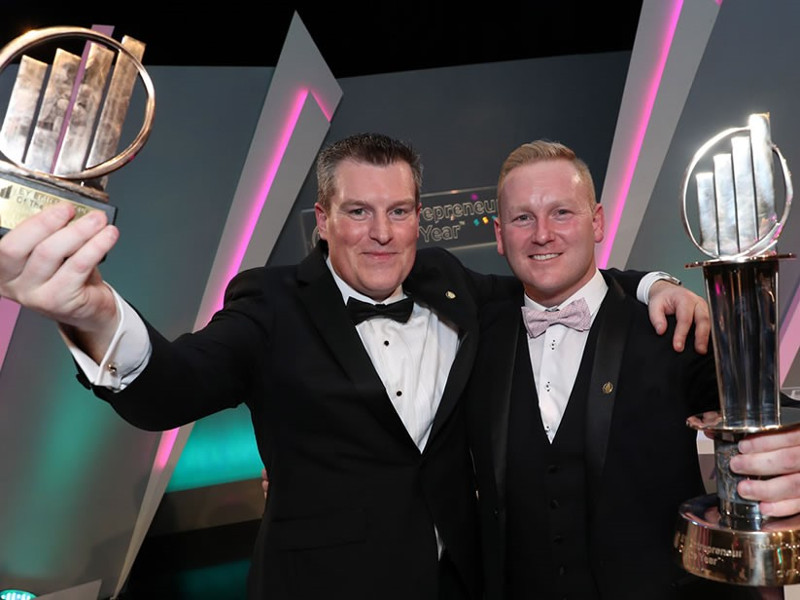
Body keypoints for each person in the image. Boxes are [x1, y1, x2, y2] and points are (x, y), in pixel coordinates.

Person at [0, 133, 711, 600]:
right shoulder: (270, 303)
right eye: (359, 212)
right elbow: (173, 387)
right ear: (322, 218)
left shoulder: (457, 288)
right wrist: (93, 312)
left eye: (399, 211)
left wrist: (651, 285)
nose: (381, 233)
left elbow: (558, 268)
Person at [464, 139, 800, 600]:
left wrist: (788, 450)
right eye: (523, 217)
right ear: (500, 235)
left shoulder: (671, 327)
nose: (542, 233)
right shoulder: (480, 333)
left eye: (562, 212)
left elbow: (763, 409)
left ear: (596, 222)